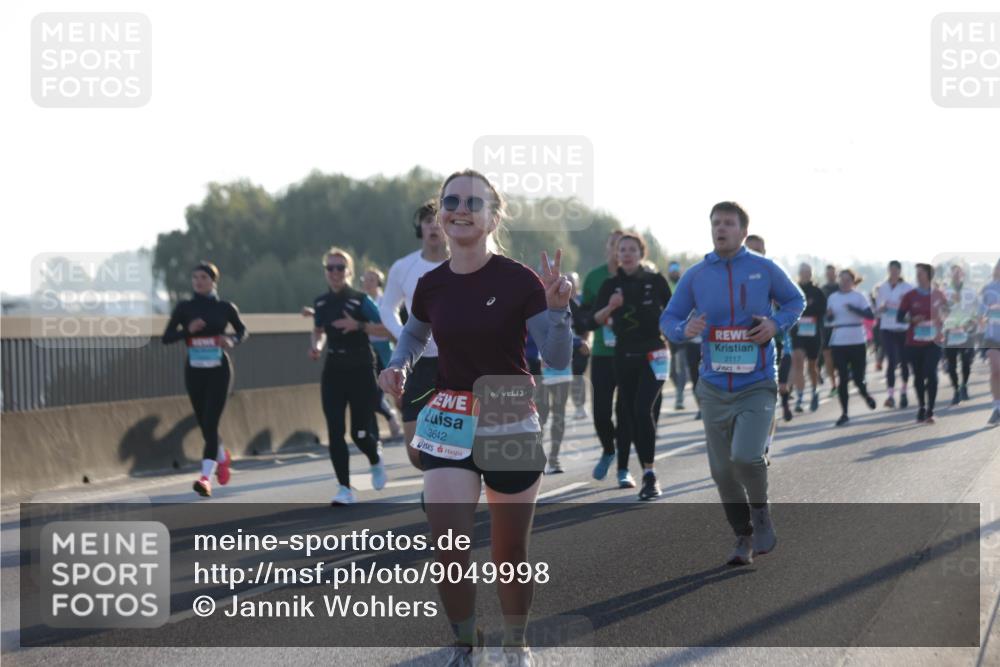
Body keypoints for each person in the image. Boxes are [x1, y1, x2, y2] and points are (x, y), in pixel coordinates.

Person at [379, 169, 572, 665]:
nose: (460, 208)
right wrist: (398, 365)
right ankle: (466, 644)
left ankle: (517, 643)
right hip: (450, 416)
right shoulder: (431, 284)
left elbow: (556, 357)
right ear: (440, 214)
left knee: (508, 554)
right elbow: (415, 333)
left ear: (492, 217)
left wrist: (557, 311)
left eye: (472, 202)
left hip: (509, 413)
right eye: (451, 201)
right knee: (447, 546)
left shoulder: (519, 280)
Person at [661, 202, 804, 566]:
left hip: (756, 381)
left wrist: (775, 325)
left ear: (743, 231)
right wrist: (683, 330)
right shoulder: (696, 275)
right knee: (722, 471)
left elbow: (794, 301)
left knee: (746, 456)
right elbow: (670, 318)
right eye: (715, 223)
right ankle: (743, 536)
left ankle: (761, 512)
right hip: (713, 385)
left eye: (728, 223)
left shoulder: (764, 268)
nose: (720, 228)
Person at [593, 232, 672, 499]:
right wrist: (611, 308)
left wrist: (676, 330)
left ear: (641, 253)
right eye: (622, 249)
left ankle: (649, 474)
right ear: (617, 254)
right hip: (624, 355)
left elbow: (674, 312)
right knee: (629, 413)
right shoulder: (609, 285)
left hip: (655, 353)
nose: (626, 253)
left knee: (642, 409)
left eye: (632, 249)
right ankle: (633, 467)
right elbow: (594, 320)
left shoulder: (655, 281)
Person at [309, 247, 390, 505]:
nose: (335, 272)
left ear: (349, 272)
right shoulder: (321, 303)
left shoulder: (360, 300)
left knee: (359, 432)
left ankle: (375, 459)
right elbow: (318, 330)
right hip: (333, 369)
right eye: (330, 268)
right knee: (334, 431)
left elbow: (388, 329)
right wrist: (317, 346)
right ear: (325, 272)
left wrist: (359, 326)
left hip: (361, 367)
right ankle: (344, 488)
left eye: (340, 268)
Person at [161, 261, 247, 497]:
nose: (198, 282)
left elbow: (242, 331)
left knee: (210, 422)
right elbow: (166, 337)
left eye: (204, 278)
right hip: (195, 371)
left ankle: (205, 478)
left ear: (213, 281)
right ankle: (222, 457)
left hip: (219, 370)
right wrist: (188, 329)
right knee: (205, 424)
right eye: (195, 278)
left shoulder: (225, 307)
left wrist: (231, 340)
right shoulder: (184, 308)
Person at [379, 201, 450, 470]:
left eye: (437, 220)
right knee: (416, 455)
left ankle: (450, 481)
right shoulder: (403, 267)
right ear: (419, 228)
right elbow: (387, 308)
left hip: (453, 363)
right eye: (426, 220)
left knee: (455, 439)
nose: (432, 225)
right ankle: (438, 475)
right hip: (417, 364)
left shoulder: (461, 264)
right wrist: (405, 337)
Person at [581, 230, 627, 484]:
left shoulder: (638, 276)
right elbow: (586, 312)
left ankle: (623, 468)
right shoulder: (595, 277)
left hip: (630, 353)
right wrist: (584, 337)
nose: (618, 250)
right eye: (613, 245)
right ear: (608, 248)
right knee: (600, 412)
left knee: (625, 411)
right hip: (601, 352)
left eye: (623, 246)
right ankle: (609, 449)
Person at [825, 269, 878, 426]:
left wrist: (854, 309)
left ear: (853, 282)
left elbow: (870, 316)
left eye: (848, 280)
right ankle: (845, 413)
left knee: (857, 378)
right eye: (842, 280)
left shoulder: (859, 296)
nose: (844, 282)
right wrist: (829, 315)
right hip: (839, 340)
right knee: (842, 378)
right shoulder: (833, 297)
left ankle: (865, 394)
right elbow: (829, 319)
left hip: (856, 339)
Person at [897, 263, 948, 424]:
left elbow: (947, 313)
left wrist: (941, 318)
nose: (918, 276)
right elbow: (899, 317)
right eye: (916, 273)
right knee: (918, 376)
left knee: (931, 373)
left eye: (921, 273)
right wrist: (912, 319)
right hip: (914, 341)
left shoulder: (939, 294)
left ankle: (930, 410)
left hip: (934, 341)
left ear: (928, 275)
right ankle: (921, 406)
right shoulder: (910, 295)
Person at [362, 267, 404, 439]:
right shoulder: (360, 301)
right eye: (366, 279)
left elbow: (389, 329)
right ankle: (390, 418)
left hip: (386, 349)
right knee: (372, 391)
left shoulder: (385, 301)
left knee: (396, 390)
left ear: (378, 282)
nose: (368, 282)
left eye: (372, 279)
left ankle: (405, 417)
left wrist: (366, 327)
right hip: (367, 350)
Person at [874, 261, 913, 408]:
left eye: (896, 270)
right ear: (888, 271)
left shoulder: (907, 288)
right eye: (891, 270)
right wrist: (882, 308)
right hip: (887, 327)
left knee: (904, 361)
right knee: (891, 361)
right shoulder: (882, 288)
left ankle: (903, 391)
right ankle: (890, 395)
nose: (894, 273)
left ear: (900, 271)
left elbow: (911, 308)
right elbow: (877, 309)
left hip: (903, 328)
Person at [790, 263, 826, 413]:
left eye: (808, 272)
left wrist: (808, 309)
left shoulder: (817, 291)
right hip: (797, 332)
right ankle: (799, 398)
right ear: (799, 273)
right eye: (803, 272)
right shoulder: (793, 289)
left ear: (811, 274)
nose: (805, 274)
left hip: (813, 332)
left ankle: (814, 391)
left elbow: (822, 310)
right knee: (798, 361)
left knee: (812, 366)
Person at [942, 265, 977, 405]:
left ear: (963, 274)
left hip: (966, 331)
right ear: (950, 274)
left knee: (966, 362)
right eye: (953, 271)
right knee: (951, 365)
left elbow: (976, 308)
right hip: (950, 331)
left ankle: (964, 386)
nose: (956, 274)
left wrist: (972, 322)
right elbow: (940, 310)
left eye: (959, 272)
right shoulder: (944, 291)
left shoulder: (970, 291)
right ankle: (956, 390)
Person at [567, 271, 592, 420]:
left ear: (576, 285)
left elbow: (588, 324)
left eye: (572, 282)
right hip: (564, 345)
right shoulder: (558, 301)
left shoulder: (582, 301)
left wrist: (586, 341)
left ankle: (580, 405)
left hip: (580, 344)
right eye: (567, 281)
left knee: (578, 373)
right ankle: (576, 405)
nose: (569, 285)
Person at [666, 261, 690, 410]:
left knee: (681, 365)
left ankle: (680, 397)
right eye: (671, 269)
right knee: (672, 371)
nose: (674, 272)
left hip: (683, 331)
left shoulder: (684, 284)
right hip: (668, 332)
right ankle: (679, 386)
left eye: (676, 269)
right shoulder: (665, 285)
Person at [979, 260, 1000, 426]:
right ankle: (997, 408)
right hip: (992, 335)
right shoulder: (989, 288)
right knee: (995, 370)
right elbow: (981, 312)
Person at [820, 264, 840, 394]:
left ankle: (844, 376)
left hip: (840, 326)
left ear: (835, 274)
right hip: (826, 327)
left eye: (832, 273)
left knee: (839, 355)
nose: (830, 275)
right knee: (827, 355)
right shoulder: (822, 290)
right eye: (828, 273)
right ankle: (833, 384)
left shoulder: (841, 288)